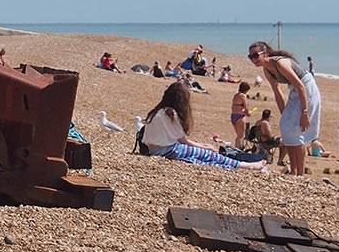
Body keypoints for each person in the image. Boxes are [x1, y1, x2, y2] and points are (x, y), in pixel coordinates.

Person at [138, 81, 260, 170]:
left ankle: (241, 164)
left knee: (201, 159)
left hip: (154, 150)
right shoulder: (170, 114)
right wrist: (204, 147)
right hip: (166, 150)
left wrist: (202, 145)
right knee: (209, 155)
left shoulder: (157, 111)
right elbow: (182, 141)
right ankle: (246, 165)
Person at [248, 40, 322, 176]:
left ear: (264, 54)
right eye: (250, 57)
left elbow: (301, 86)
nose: (253, 60)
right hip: (296, 90)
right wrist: (285, 114)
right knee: (285, 127)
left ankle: (300, 173)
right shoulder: (267, 71)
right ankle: (293, 170)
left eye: (255, 56)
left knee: (297, 131)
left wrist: (305, 113)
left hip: (307, 88)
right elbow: (277, 93)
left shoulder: (280, 63)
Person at [230, 82, 252, 148]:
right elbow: (246, 107)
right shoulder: (243, 96)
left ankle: (236, 149)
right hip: (240, 117)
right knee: (241, 136)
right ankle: (238, 151)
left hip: (233, 115)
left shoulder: (235, 95)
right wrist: (248, 113)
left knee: (238, 136)